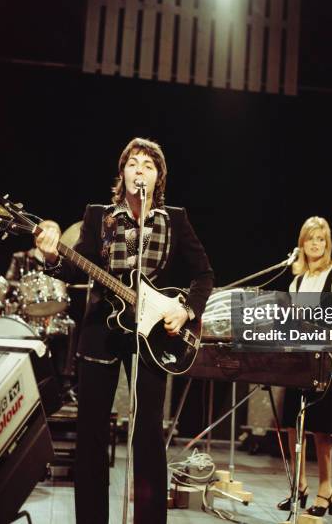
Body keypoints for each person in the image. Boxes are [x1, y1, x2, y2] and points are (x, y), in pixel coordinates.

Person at [37, 137, 214, 524]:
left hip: (153, 335)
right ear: (122, 174)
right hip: (102, 329)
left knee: (148, 434)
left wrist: (185, 311)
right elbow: (74, 267)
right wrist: (52, 255)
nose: (140, 170)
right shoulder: (99, 215)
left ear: (158, 178)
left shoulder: (175, 219)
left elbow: (204, 274)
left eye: (148, 165)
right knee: (92, 436)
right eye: (133, 164)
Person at [278, 216, 332, 517]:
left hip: (324, 362)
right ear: (302, 244)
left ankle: (326, 489)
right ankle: (300, 486)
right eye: (310, 239)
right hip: (299, 362)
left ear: (327, 243)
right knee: (294, 425)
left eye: (321, 239)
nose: (316, 244)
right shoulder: (297, 281)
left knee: (322, 430)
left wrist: (324, 350)